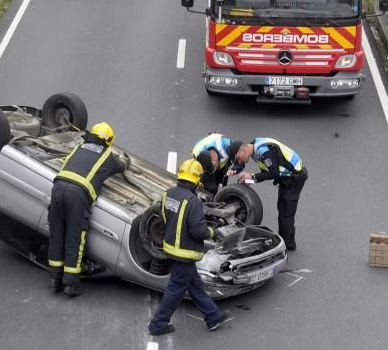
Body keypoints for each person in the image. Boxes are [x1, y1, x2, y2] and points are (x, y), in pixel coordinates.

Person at [147, 158, 233, 336]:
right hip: (185, 252)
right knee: (176, 290)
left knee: (194, 285)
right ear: (197, 179)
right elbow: (198, 231)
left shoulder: (167, 194)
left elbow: (163, 218)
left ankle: (212, 316)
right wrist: (213, 233)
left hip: (171, 248)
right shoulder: (193, 201)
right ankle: (157, 325)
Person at [48, 122, 127, 297]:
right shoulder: (106, 155)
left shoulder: (79, 147)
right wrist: (125, 160)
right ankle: (70, 283)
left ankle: (54, 279)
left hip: (58, 187)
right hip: (77, 194)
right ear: (108, 141)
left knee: (57, 234)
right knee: (74, 238)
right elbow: (122, 166)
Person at [235, 137, 307, 251]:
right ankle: (289, 241)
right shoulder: (256, 150)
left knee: (285, 214)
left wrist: (252, 176)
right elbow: (266, 172)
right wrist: (251, 180)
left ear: (243, 151)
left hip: (294, 179)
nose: (240, 162)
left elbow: (274, 173)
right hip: (287, 179)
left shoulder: (263, 151)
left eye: (238, 158)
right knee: (283, 211)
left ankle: (287, 245)